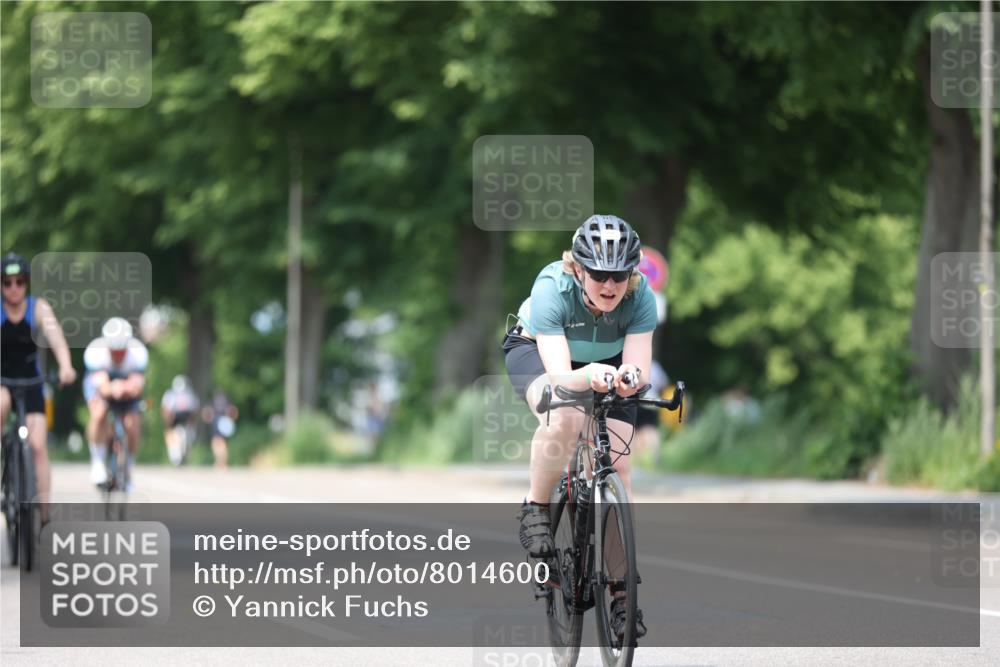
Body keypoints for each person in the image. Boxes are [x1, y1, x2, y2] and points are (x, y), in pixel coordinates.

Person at [501, 214, 655, 639]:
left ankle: (622, 595)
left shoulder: (641, 296)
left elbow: (639, 366)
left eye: (619, 275)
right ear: (578, 269)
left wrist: (630, 378)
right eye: (600, 275)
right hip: (539, 353)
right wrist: (588, 376)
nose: (610, 285)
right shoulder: (552, 287)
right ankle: (536, 509)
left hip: (606, 362)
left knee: (618, 464)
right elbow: (559, 377)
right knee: (566, 418)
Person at [1, 253, 77, 511]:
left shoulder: (39, 308)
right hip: (2, 381)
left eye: (19, 281)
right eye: (7, 282)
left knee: (38, 446)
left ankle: (44, 515)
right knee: (1, 403)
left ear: (27, 283)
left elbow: (57, 338)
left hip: (32, 382)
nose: (14, 288)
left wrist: (65, 366)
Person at [83, 317, 148, 487]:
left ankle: (128, 465)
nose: (118, 355)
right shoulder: (95, 352)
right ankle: (98, 461)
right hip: (103, 385)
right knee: (98, 413)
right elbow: (103, 387)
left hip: (126, 386)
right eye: (114, 351)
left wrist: (126, 388)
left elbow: (137, 385)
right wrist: (114, 388)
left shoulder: (138, 353)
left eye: (122, 351)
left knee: (132, 423)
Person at [161, 375, 200, 466]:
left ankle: (179, 452)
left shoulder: (172, 394)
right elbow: (195, 410)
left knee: (174, 434)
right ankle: (176, 452)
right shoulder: (188, 394)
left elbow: (166, 410)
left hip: (183, 418)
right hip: (178, 418)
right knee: (171, 434)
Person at [201, 389, 238, 468]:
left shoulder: (214, 403)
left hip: (218, 425)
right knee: (221, 444)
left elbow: (206, 414)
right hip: (222, 425)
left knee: (218, 444)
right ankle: (221, 462)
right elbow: (234, 412)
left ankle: (221, 462)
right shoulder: (225, 403)